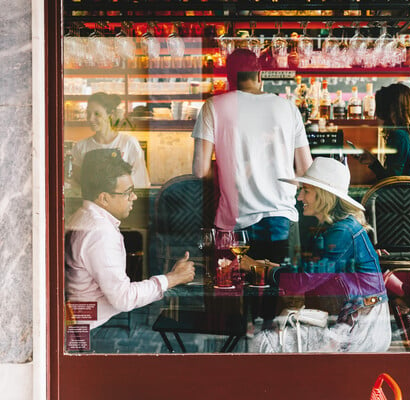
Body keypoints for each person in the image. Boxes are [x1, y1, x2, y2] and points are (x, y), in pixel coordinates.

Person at [248, 157, 391, 353]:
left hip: (360, 331)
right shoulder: (337, 228)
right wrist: (269, 266)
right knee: (269, 334)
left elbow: (302, 281)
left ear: (324, 197)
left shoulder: (342, 232)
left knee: (261, 343)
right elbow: (307, 273)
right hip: (351, 323)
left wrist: (256, 267)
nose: (299, 198)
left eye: (306, 191)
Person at [192, 48, 312, 263]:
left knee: (235, 290)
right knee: (279, 289)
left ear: (228, 78)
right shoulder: (288, 108)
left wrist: (227, 174)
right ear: (259, 75)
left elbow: (200, 171)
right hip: (281, 217)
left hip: (236, 221)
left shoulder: (213, 107)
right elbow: (305, 170)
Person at [65, 149, 194, 333]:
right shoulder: (100, 234)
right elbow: (124, 298)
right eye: (128, 192)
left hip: (87, 322)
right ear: (104, 198)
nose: (133, 197)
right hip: (98, 329)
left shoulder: (82, 216)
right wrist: (173, 278)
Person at [357, 83, 410, 185]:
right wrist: (373, 161)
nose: (375, 115)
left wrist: (373, 163)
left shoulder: (399, 136)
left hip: (409, 200)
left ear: (388, 110)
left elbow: (391, 183)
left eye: (379, 108)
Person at [72, 92, 151, 188]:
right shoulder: (80, 147)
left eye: (97, 114)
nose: (91, 119)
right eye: (88, 113)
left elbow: (141, 182)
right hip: (91, 203)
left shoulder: (128, 143)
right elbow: (76, 185)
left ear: (111, 114)